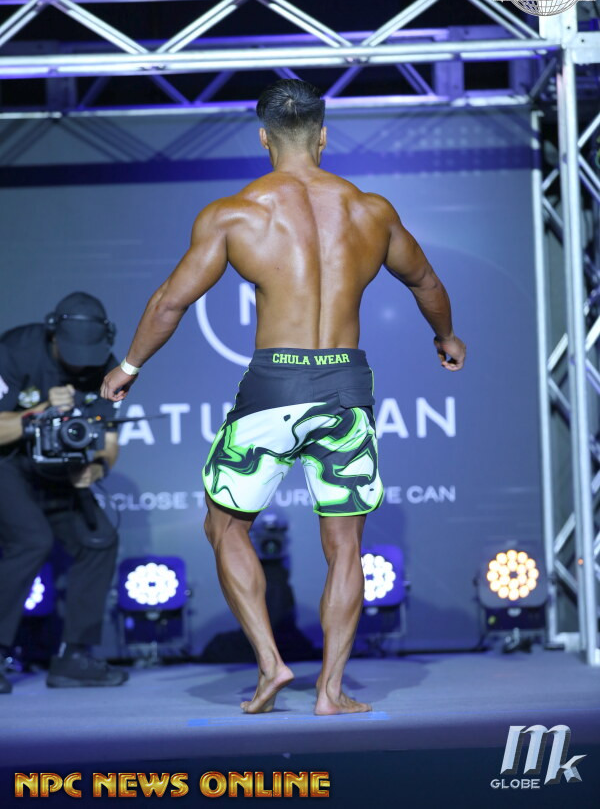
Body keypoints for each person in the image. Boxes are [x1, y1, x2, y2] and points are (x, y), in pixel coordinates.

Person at [101, 79, 466, 715]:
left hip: (274, 385)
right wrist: (446, 336)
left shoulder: (235, 214)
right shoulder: (371, 211)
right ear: (323, 136)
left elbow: (169, 303)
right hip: (345, 386)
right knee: (346, 546)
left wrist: (129, 366)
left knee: (224, 525)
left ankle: (271, 664)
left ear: (263, 138)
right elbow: (427, 282)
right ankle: (330, 690)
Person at [0, 292, 128, 693]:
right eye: (72, 353)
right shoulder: (16, 351)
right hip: (8, 465)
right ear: (52, 334)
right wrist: (39, 412)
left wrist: (97, 468)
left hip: (61, 472)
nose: (79, 363)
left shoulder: (107, 368)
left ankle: (74, 656)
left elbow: (109, 440)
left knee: (100, 539)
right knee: (31, 540)